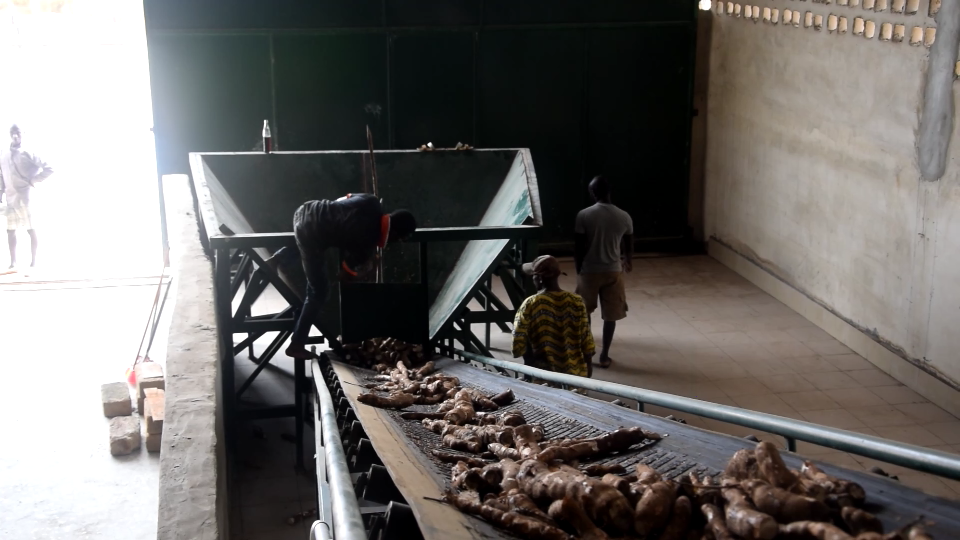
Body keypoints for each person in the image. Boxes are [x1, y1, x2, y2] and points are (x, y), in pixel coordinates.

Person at [285, 193, 417, 360]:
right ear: (395, 234)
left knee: (304, 240)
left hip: (306, 209)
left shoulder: (372, 202)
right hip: (310, 236)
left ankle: (279, 256)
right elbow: (345, 276)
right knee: (318, 291)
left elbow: (343, 200)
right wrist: (367, 271)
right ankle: (296, 344)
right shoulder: (366, 245)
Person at [574, 175, 633, 369]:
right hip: (613, 271)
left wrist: (579, 268)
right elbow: (628, 242)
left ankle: (588, 351)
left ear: (592, 193)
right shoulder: (624, 216)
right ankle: (605, 355)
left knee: (585, 313)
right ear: (609, 191)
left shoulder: (584, 215)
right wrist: (627, 260)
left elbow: (579, 247)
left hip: (590, 271)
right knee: (611, 315)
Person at [512, 255, 595, 382]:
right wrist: (588, 365)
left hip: (543, 379)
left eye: (533, 276)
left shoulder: (531, 304)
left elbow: (518, 339)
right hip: (575, 377)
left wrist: (528, 365)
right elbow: (586, 336)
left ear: (539, 279)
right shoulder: (576, 301)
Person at [0, 125, 53, 272]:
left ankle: (34, 263)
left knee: (31, 229)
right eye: (12, 133)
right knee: (10, 231)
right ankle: (13, 264)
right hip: (10, 198)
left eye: (18, 133)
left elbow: (49, 168)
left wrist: (33, 181)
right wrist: (0, 193)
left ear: (23, 133)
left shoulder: (29, 152)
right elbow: (1, 174)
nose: (15, 136)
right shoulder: (3, 153)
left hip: (26, 197)